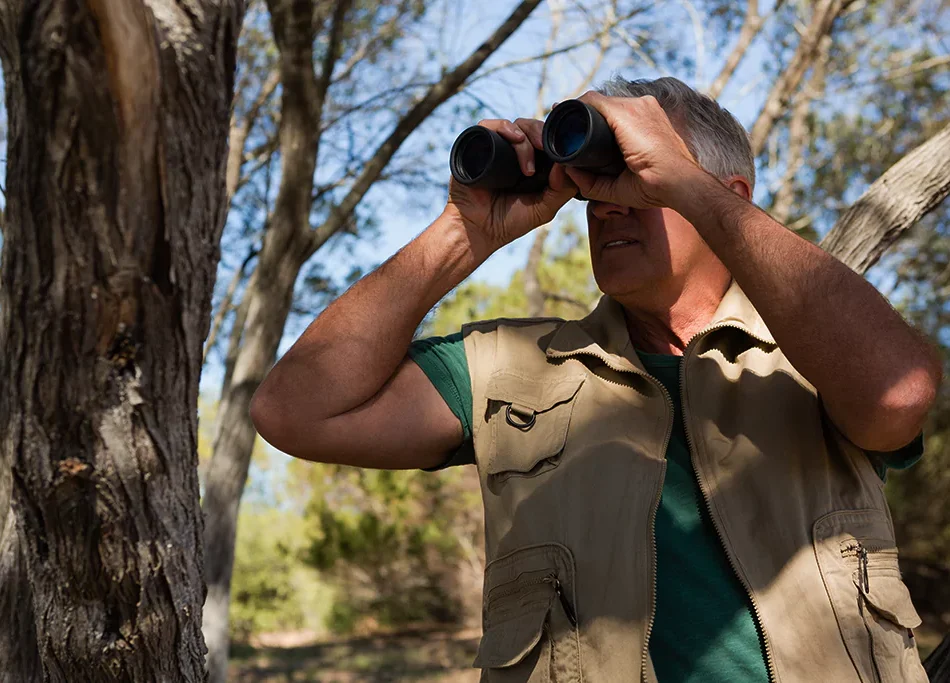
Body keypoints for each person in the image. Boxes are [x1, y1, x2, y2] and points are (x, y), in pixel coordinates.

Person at [249, 76, 940, 682]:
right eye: (599, 185)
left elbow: (899, 394)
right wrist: (463, 231)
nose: (608, 204)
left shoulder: (815, 353)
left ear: (723, 196)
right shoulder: (510, 368)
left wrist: (695, 194)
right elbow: (294, 410)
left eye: (642, 178)